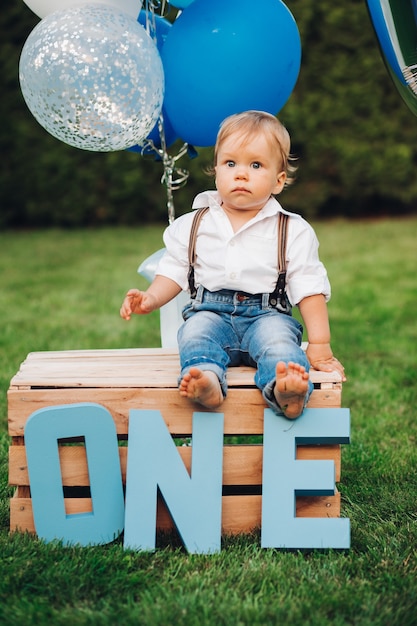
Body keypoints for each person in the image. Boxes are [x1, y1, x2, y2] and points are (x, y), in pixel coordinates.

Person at [120, 110, 346, 419]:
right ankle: (207, 381)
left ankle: (286, 391)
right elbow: (173, 270)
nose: (241, 174)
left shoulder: (292, 230)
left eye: (255, 165)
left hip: (267, 316)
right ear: (215, 171)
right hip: (210, 312)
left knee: (280, 345)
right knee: (195, 334)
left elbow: (309, 288)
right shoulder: (193, 224)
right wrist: (151, 298)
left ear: (279, 180)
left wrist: (320, 343)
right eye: (230, 163)